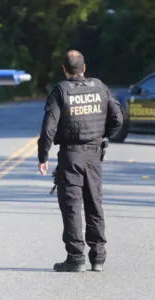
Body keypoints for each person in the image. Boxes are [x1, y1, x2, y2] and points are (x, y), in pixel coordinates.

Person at [37, 50, 123, 272]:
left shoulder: (60, 91)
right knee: (94, 203)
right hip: (94, 154)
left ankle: (75, 258)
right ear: (84, 68)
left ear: (65, 70)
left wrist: (43, 156)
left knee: (72, 206)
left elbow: (49, 128)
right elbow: (118, 119)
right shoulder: (100, 87)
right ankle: (98, 258)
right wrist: (103, 136)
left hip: (70, 155)